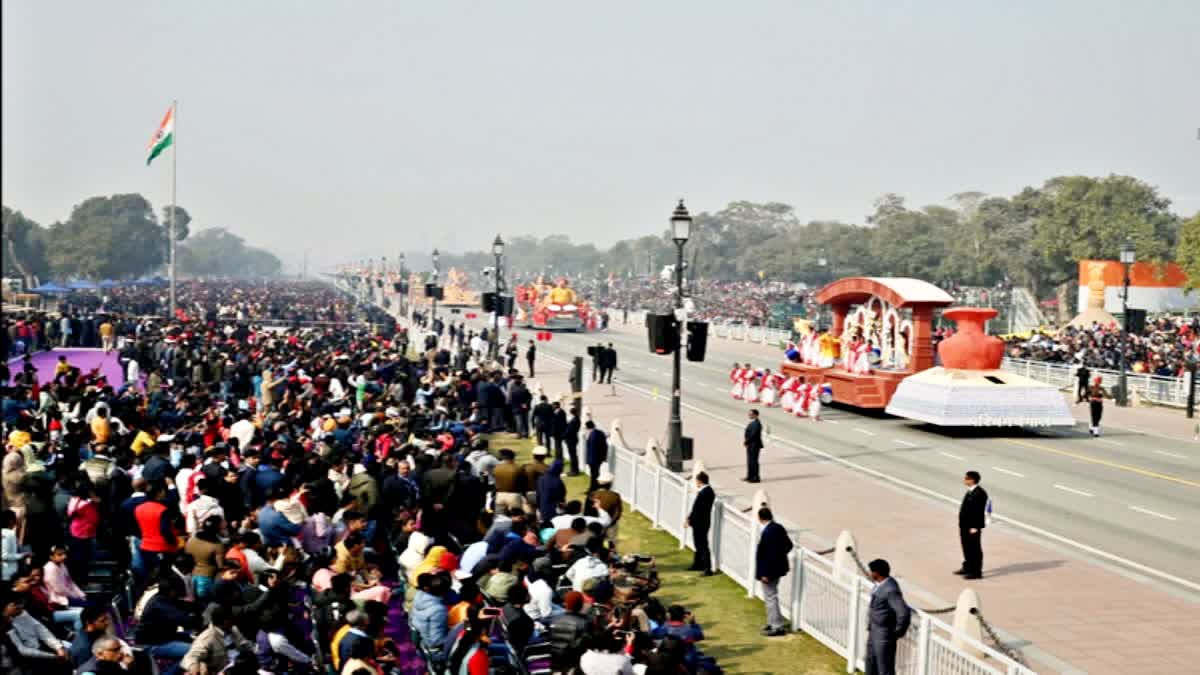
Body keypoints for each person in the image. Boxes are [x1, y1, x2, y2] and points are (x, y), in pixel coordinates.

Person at [865, 558, 911, 675]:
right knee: (870, 662)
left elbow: (903, 612)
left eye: (871, 571)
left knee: (884, 668)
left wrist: (897, 632)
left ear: (877, 573)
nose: (870, 573)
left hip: (884, 635)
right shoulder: (880, 584)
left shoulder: (890, 590)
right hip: (874, 631)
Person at [755, 507, 792, 636]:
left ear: (760, 518)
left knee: (770, 597)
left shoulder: (768, 532)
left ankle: (777, 626)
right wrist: (781, 559)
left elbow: (768, 555)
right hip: (777, 569)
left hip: (769, 571)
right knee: (770, 596)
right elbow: (788, 545)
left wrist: (766, 573)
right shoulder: (778, 527)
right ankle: (772, 622)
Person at [955, 471, 988, 580]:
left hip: (972, 527)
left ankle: (976, 572)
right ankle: (968, 567)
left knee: (975, 549)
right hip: (965, 525)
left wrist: (975, 527)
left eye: (966, 478)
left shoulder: (979, 493)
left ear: (972, 480)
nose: (964, 479)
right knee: (966, 547)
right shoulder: (971, 491)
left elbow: (978, 512)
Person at [685, 471, 715, 575]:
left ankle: (707, 568)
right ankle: (697, 563)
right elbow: (696, 509)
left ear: (699, 481)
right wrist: (689, 518)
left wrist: (690, 521)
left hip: (701, 523)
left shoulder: (706, 493)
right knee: (698, 544)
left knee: (702, 545)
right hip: (699, 522)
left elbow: (700, 511)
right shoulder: (705, 491)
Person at [584, 420, 608, 493]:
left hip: (594, 459)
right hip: (597, 458)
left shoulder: (593, 434)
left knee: (594, 474)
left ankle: (593, 489)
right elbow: (604, 446)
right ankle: (594, 488)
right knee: (595, 474)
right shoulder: (599, 433)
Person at [743, 409, 763, 484]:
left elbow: (754, 435)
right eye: (749, 414)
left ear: (756, 415)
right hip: (750, 444)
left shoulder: (757, 424)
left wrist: (746, 441)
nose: (749, 415)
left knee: (754, 461)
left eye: (751, 414)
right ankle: (749, 476)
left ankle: (755, 477)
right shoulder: (752, 423)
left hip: (755, 444)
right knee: (749, 461)